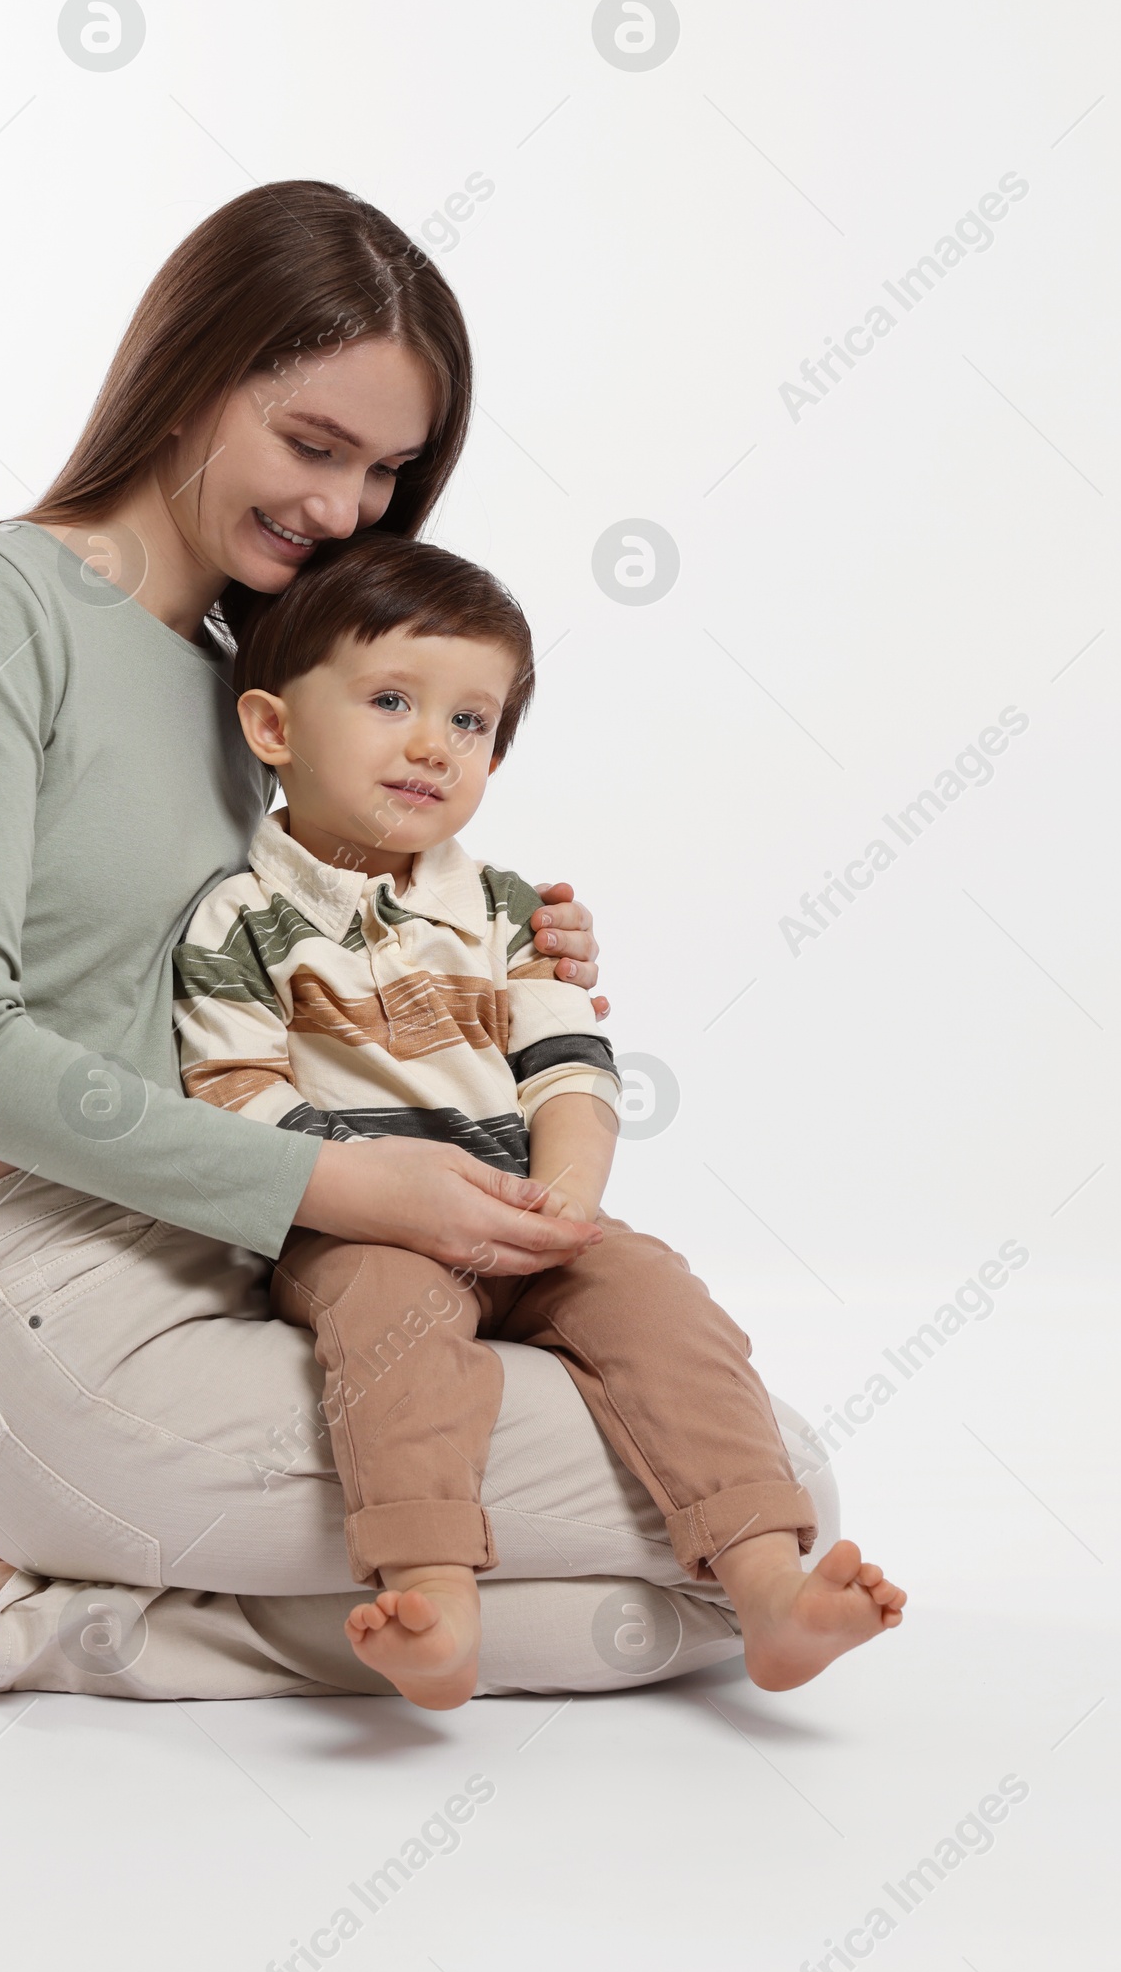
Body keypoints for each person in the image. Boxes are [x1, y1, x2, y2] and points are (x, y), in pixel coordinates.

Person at [0, 179, 837, 1699]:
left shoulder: (264, 673)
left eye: (385, 470)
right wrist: (330, 1177)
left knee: (730, 1537)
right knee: (770, 1494)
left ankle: (116, 1601)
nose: (342, 509)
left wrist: (501, 934)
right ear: (185, 375)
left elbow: (308, 957)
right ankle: (85, 1609)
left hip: (285, 1277)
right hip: (61, 1312)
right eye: (313, 445)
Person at [173, 537, 906, 1708]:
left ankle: (768, 1580)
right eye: (392, 700)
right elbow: (238, 1099)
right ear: (272, 728)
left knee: (656, 1293)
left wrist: (565, 1195)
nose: (434, 743)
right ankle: (432, 1592)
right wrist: (393, 1189)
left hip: (521, 1210)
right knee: (394, 1322)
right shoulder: (241, 917)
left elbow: (567, 1062)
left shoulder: (513, 912)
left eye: (473, 722)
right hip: (354, 1227)